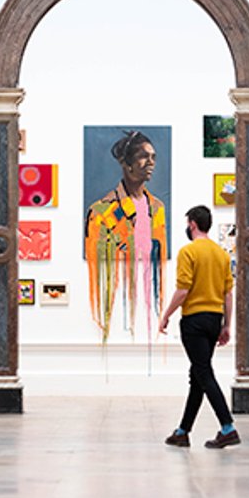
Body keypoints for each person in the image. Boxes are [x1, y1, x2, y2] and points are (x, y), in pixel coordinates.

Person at [157, 205, 239, 449]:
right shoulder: (221, 254)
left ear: (192, 224)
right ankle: (183, 431)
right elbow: (228, 294)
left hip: (194, 320)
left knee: (203, 373)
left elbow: (183, 290)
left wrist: (166, 315)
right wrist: (227, 325)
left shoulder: (188, 252)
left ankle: (228, 427)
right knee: (198, 375)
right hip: (214, 320)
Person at [84, 130, 167, 342]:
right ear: (126, 163)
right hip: (117, 302)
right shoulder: (102, 211)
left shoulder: (157, 208)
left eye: (153, 157)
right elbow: (97, 266)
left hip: (151, 299)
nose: (151, 162)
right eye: (144, 156)